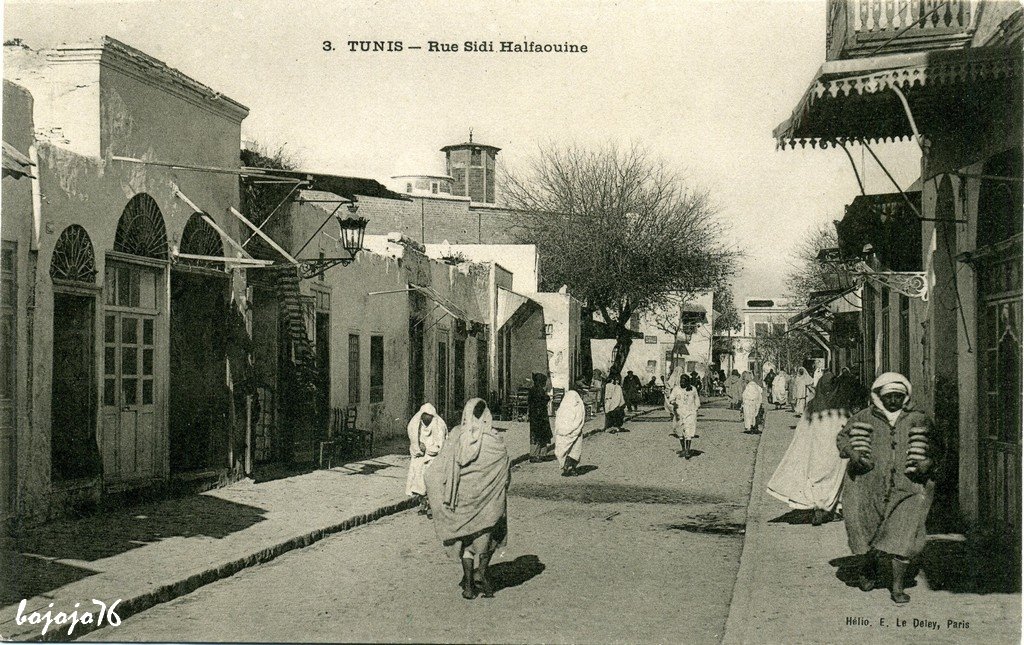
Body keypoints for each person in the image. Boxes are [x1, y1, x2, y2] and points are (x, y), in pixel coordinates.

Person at [836, 372, 940, 605]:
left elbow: (937, 445)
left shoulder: (918, 419)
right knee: (869, 532)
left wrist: (928, 462)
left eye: (898, 396)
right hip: (867, 485)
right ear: (879, 395)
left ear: (905, 396)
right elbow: (842, 438)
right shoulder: (863, 417)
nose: (893, 400)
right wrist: (854, 454)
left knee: (903, 536)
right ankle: (869, 568)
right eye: (889, 396)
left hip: (908, 486)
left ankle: (897, 586)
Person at [424, 398, 510, 600]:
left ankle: (469, 585)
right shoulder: (495, 441)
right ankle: (482, 573)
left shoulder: (456, 437)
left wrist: (437, 496)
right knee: (487, 539)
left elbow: (435, 472)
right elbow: (505, 470)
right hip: (488, 503)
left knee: (466, 543)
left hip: (463, 501)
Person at [766, 373, 858, 526]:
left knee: (815, 478)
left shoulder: (812, 407)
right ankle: (829, 508)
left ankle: (817, 508)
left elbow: (802, 432)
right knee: (834, 480)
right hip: (835, 455)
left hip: (816, 454)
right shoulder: (843, 409)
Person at [405, 403, 448, 517]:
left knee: (432, 483)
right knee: (419, 482)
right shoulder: (415, 424)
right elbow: (413, 440)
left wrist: (428, 449)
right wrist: (418, 446)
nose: (426, 421)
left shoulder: (439, 424)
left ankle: (431, 508)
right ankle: (423, 505)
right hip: (420, 456)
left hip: (433, 457)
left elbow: (440, 445)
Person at [554, 381, 587, 476]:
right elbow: (579, 414)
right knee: (574, 450)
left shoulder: (567, 398)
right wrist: (575, 426)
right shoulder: (575, 398)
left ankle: (567, 467)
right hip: (574, 429)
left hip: (567, 429)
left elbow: (561, 414)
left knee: (567, 449)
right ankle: (571, 468)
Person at [669, 374, 701, 459]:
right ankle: (683, 449)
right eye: (681, 382)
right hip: (679, 413)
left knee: (688, 431)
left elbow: (697, 401)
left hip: (690, 413)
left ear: (687, 382)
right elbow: (671, 399)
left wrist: (696, 409)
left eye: (684, 382)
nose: (682, 383)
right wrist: (673, 403)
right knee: (680, 432)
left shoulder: (693, 389)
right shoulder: (676, 389)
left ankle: (687, 450)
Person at [527, 373, 553, 462]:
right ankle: (535, 455)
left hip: (537, 416)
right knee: (538, 435)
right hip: (539, 416)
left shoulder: (533, 390)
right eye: (543, 382)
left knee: (540, 434)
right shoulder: (539, 391)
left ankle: (541, 454)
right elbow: (544, 399)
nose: (545, 383)